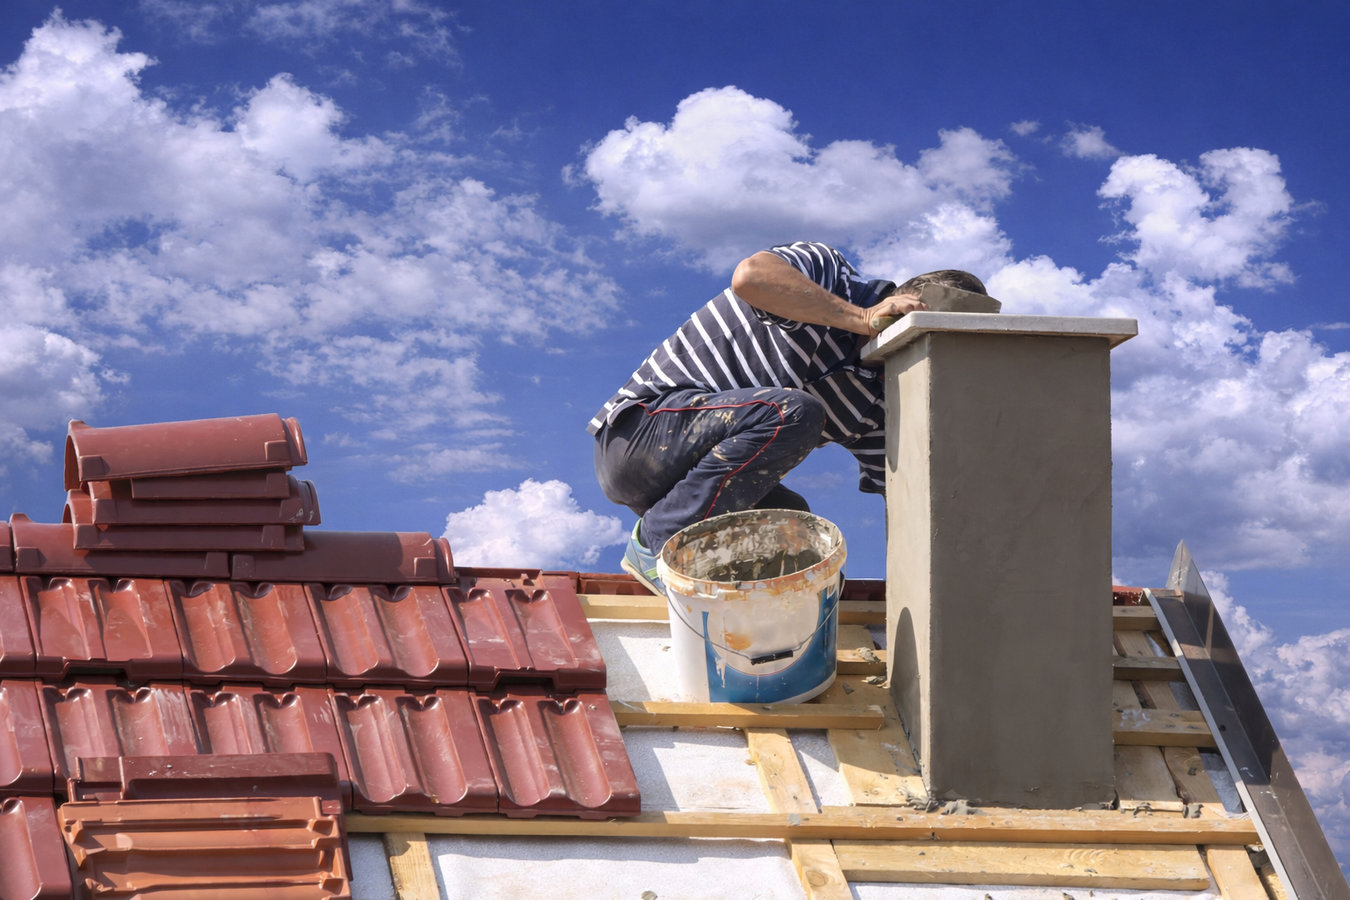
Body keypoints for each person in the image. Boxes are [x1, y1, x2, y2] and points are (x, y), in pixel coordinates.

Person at [587, 240, 988, 594]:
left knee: (796, 540)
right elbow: (751, 277)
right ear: (903, 302)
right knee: (793, 412)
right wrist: (863, 319)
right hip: (639, 436)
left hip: (693, 483)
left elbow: (907, 504)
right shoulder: (829, 276)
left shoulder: (880, 403)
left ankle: (721, 594)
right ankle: (657, 544)